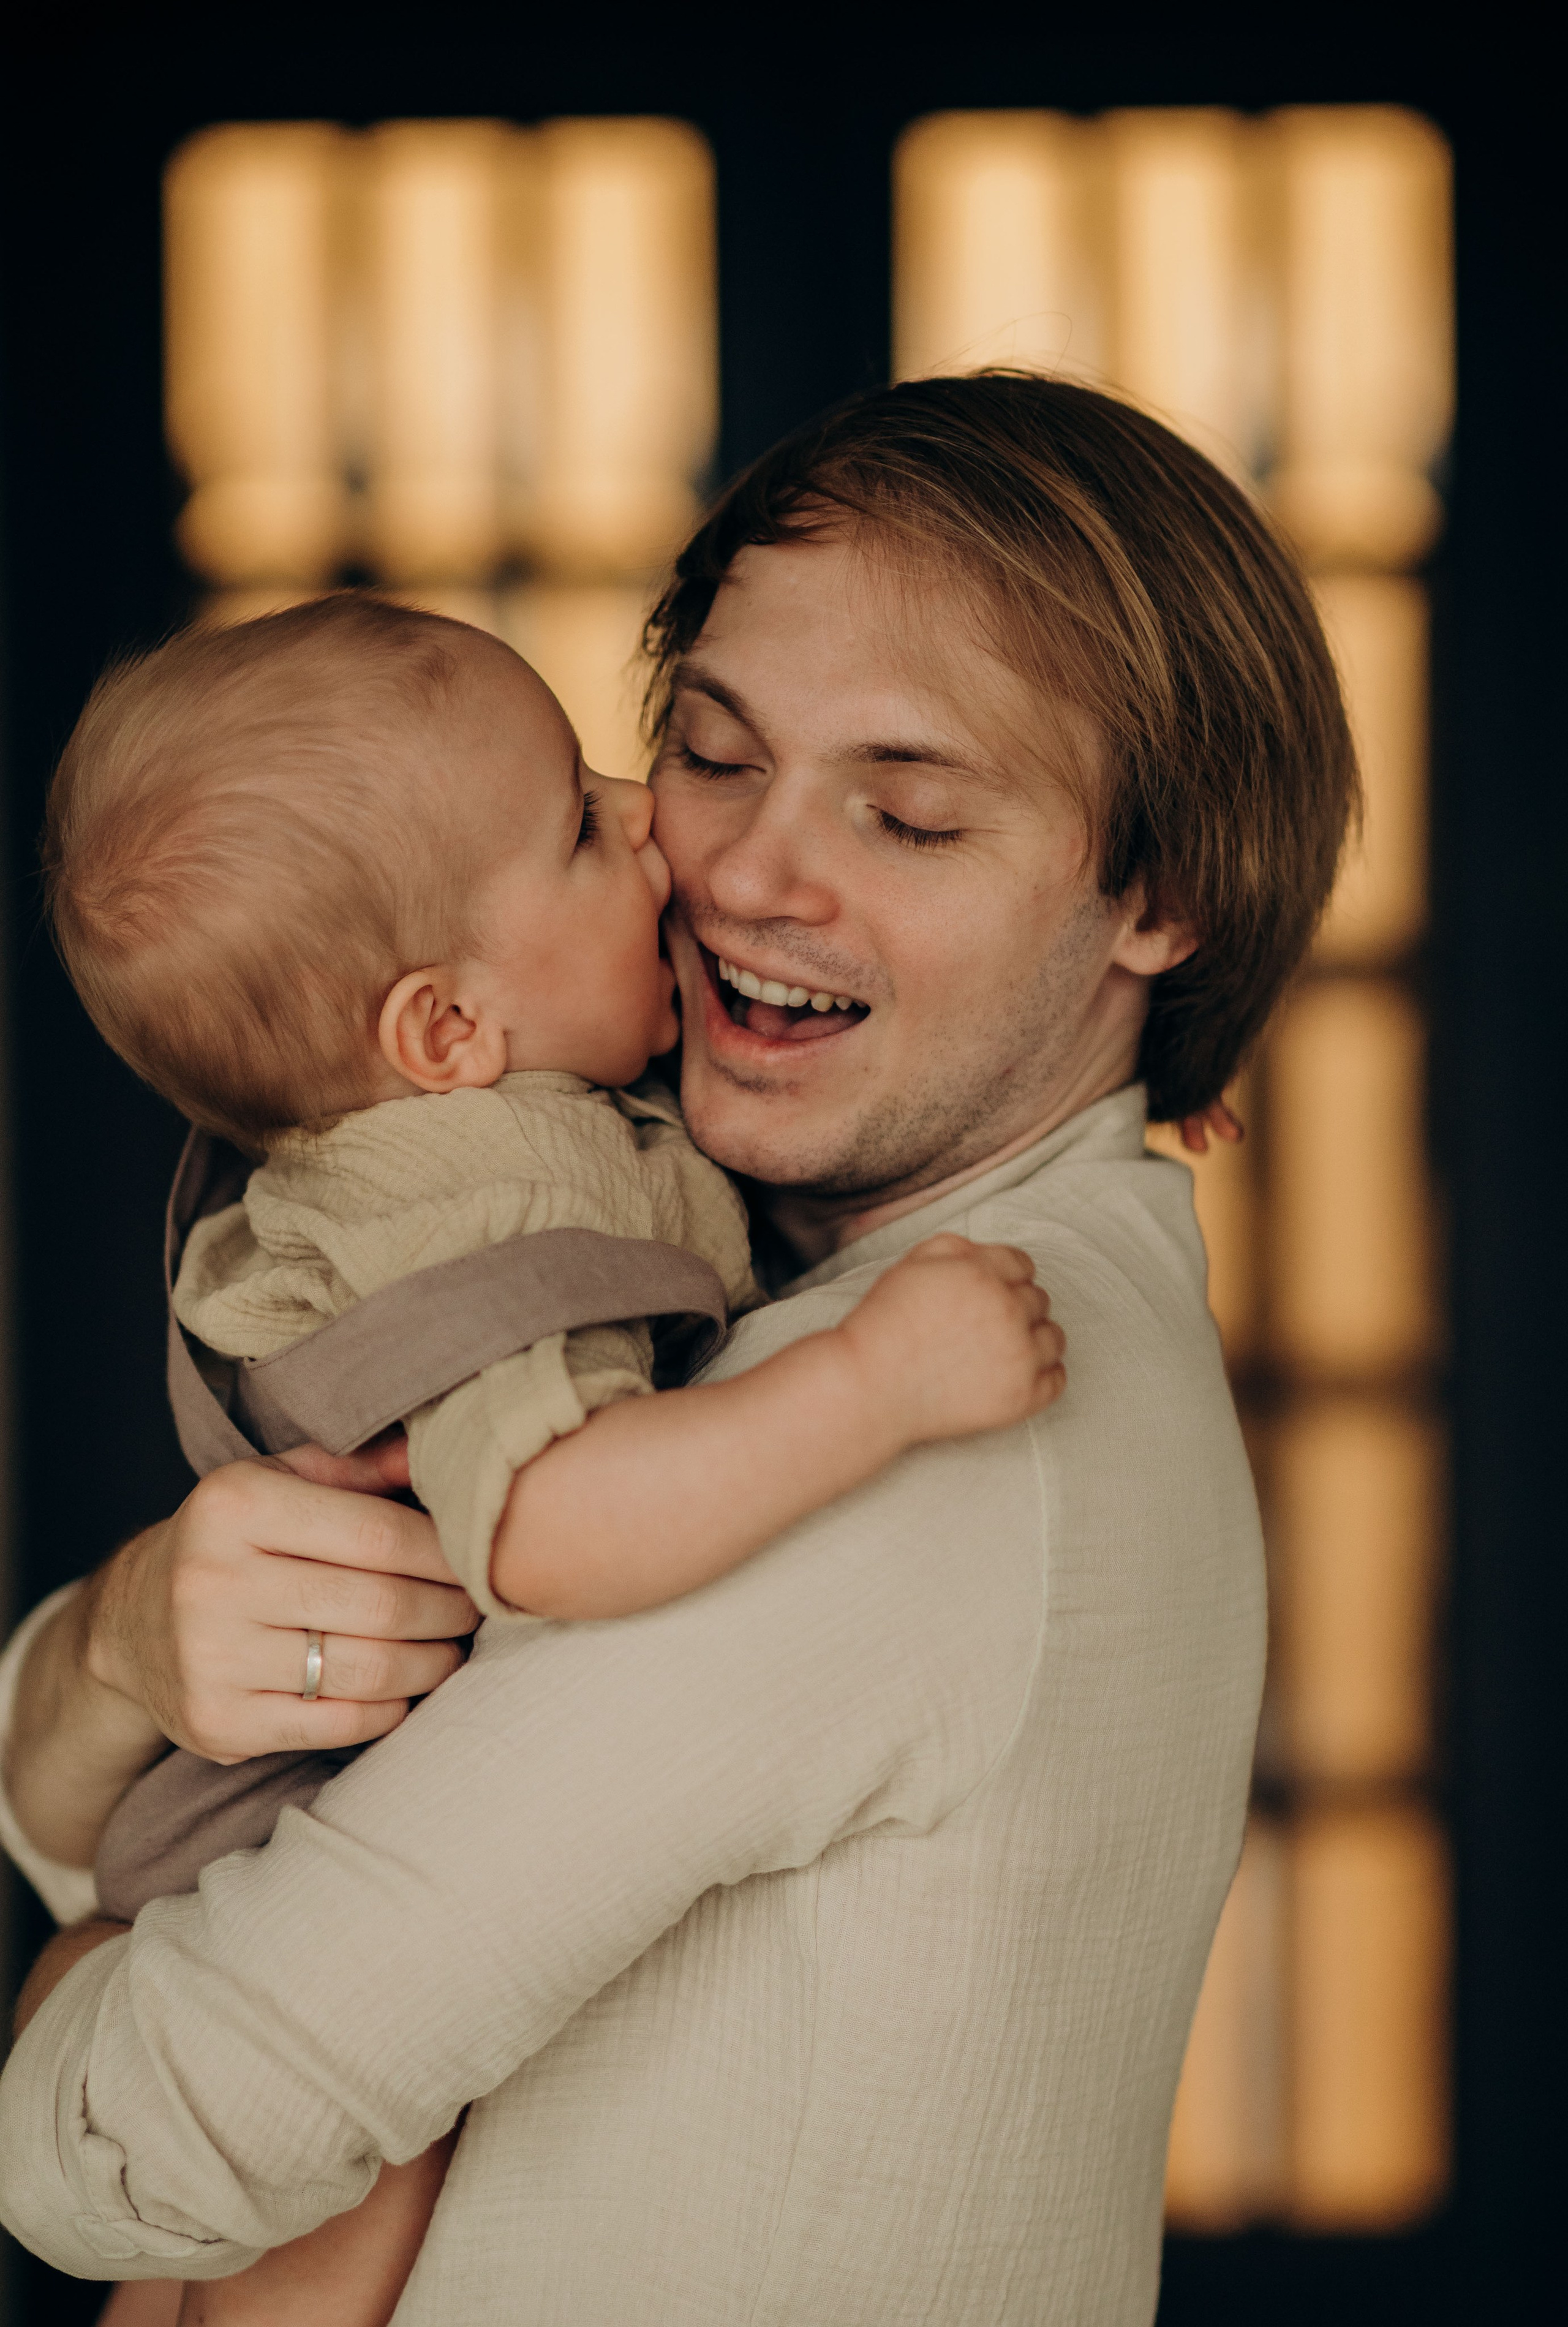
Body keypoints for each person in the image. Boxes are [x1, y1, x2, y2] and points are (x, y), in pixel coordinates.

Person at [0, 374, 1355, 2326]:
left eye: (905, 812)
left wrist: (71, 1981)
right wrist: (122, 1641)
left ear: (1167, 901)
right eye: (710, 756)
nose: (734, 878)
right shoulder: (715, 1262)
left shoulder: (910, 1427)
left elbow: (129, 2144)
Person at [31, 589, 1065, 2323]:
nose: (655, 822)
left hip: (253, 1805)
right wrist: (875, 1383)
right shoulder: (486, 1208)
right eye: (588, 828)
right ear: (445, 1036)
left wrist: (1108, 1078)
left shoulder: (503, 1105)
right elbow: (551, 1527)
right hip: (273, 1832)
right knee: (340, 2196)